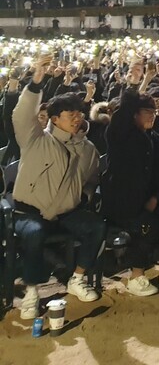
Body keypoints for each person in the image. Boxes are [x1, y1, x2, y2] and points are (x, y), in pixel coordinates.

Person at [11, 54, 104, 319]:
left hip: (66, 212)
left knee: (96, 226)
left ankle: (77, 277)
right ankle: (31, 291)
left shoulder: (87, 149)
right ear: (54, 119)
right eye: (69, 114)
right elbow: (21, 116)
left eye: (79, 113)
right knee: (34, 233)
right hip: (29, 211)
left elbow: (92, 179)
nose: (76, 118)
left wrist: (84, 195)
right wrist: (36, 82)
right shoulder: (36, 139)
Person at [101, 65, 159, 296]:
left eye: (153, 112)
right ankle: (137, 276)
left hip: (149, 197)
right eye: (146, 112)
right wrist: (138, 83)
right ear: (134, 115)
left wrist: (156, 197)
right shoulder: (120, 136)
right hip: (122, 200)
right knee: (146, 225)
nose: (152, 116)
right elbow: (123, 112)